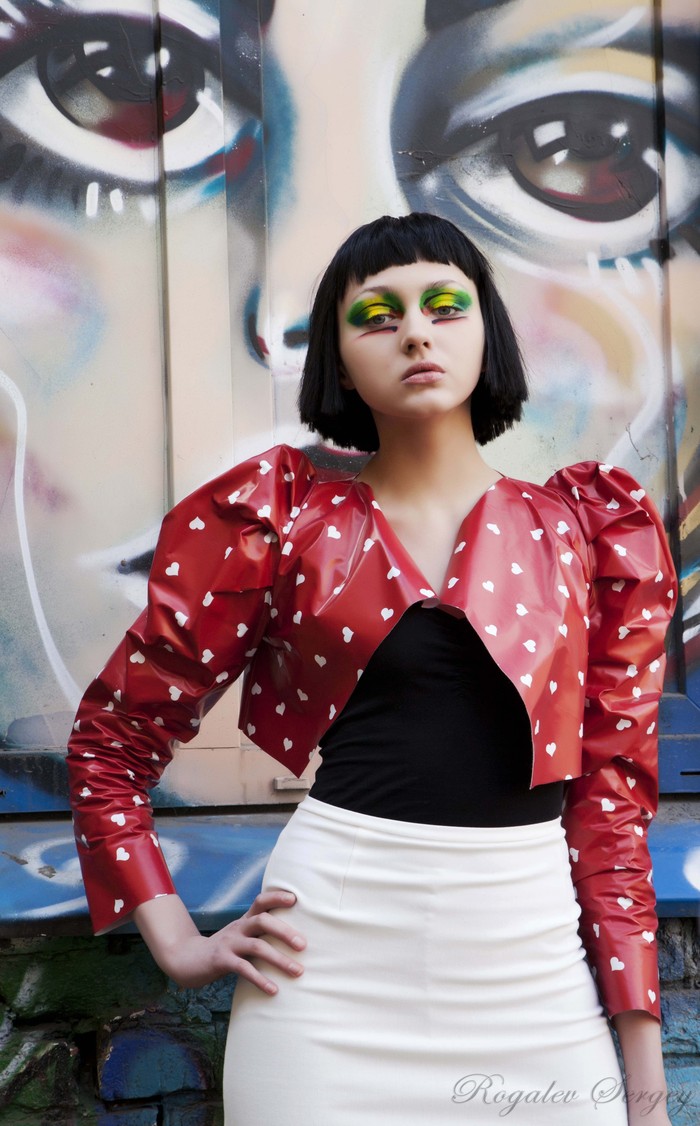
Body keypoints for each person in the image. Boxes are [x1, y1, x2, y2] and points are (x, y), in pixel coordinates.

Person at [67, 213, 677, 1124]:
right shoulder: (282, 524)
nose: (416, 333)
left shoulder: (591, 530)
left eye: (444, 306)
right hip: (325, 988)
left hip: (537, 980)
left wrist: (646, 1087)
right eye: (377, 316)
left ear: (487, 331)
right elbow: (110, 742)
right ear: (341, 363)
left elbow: (612, 811)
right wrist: (177, 940)